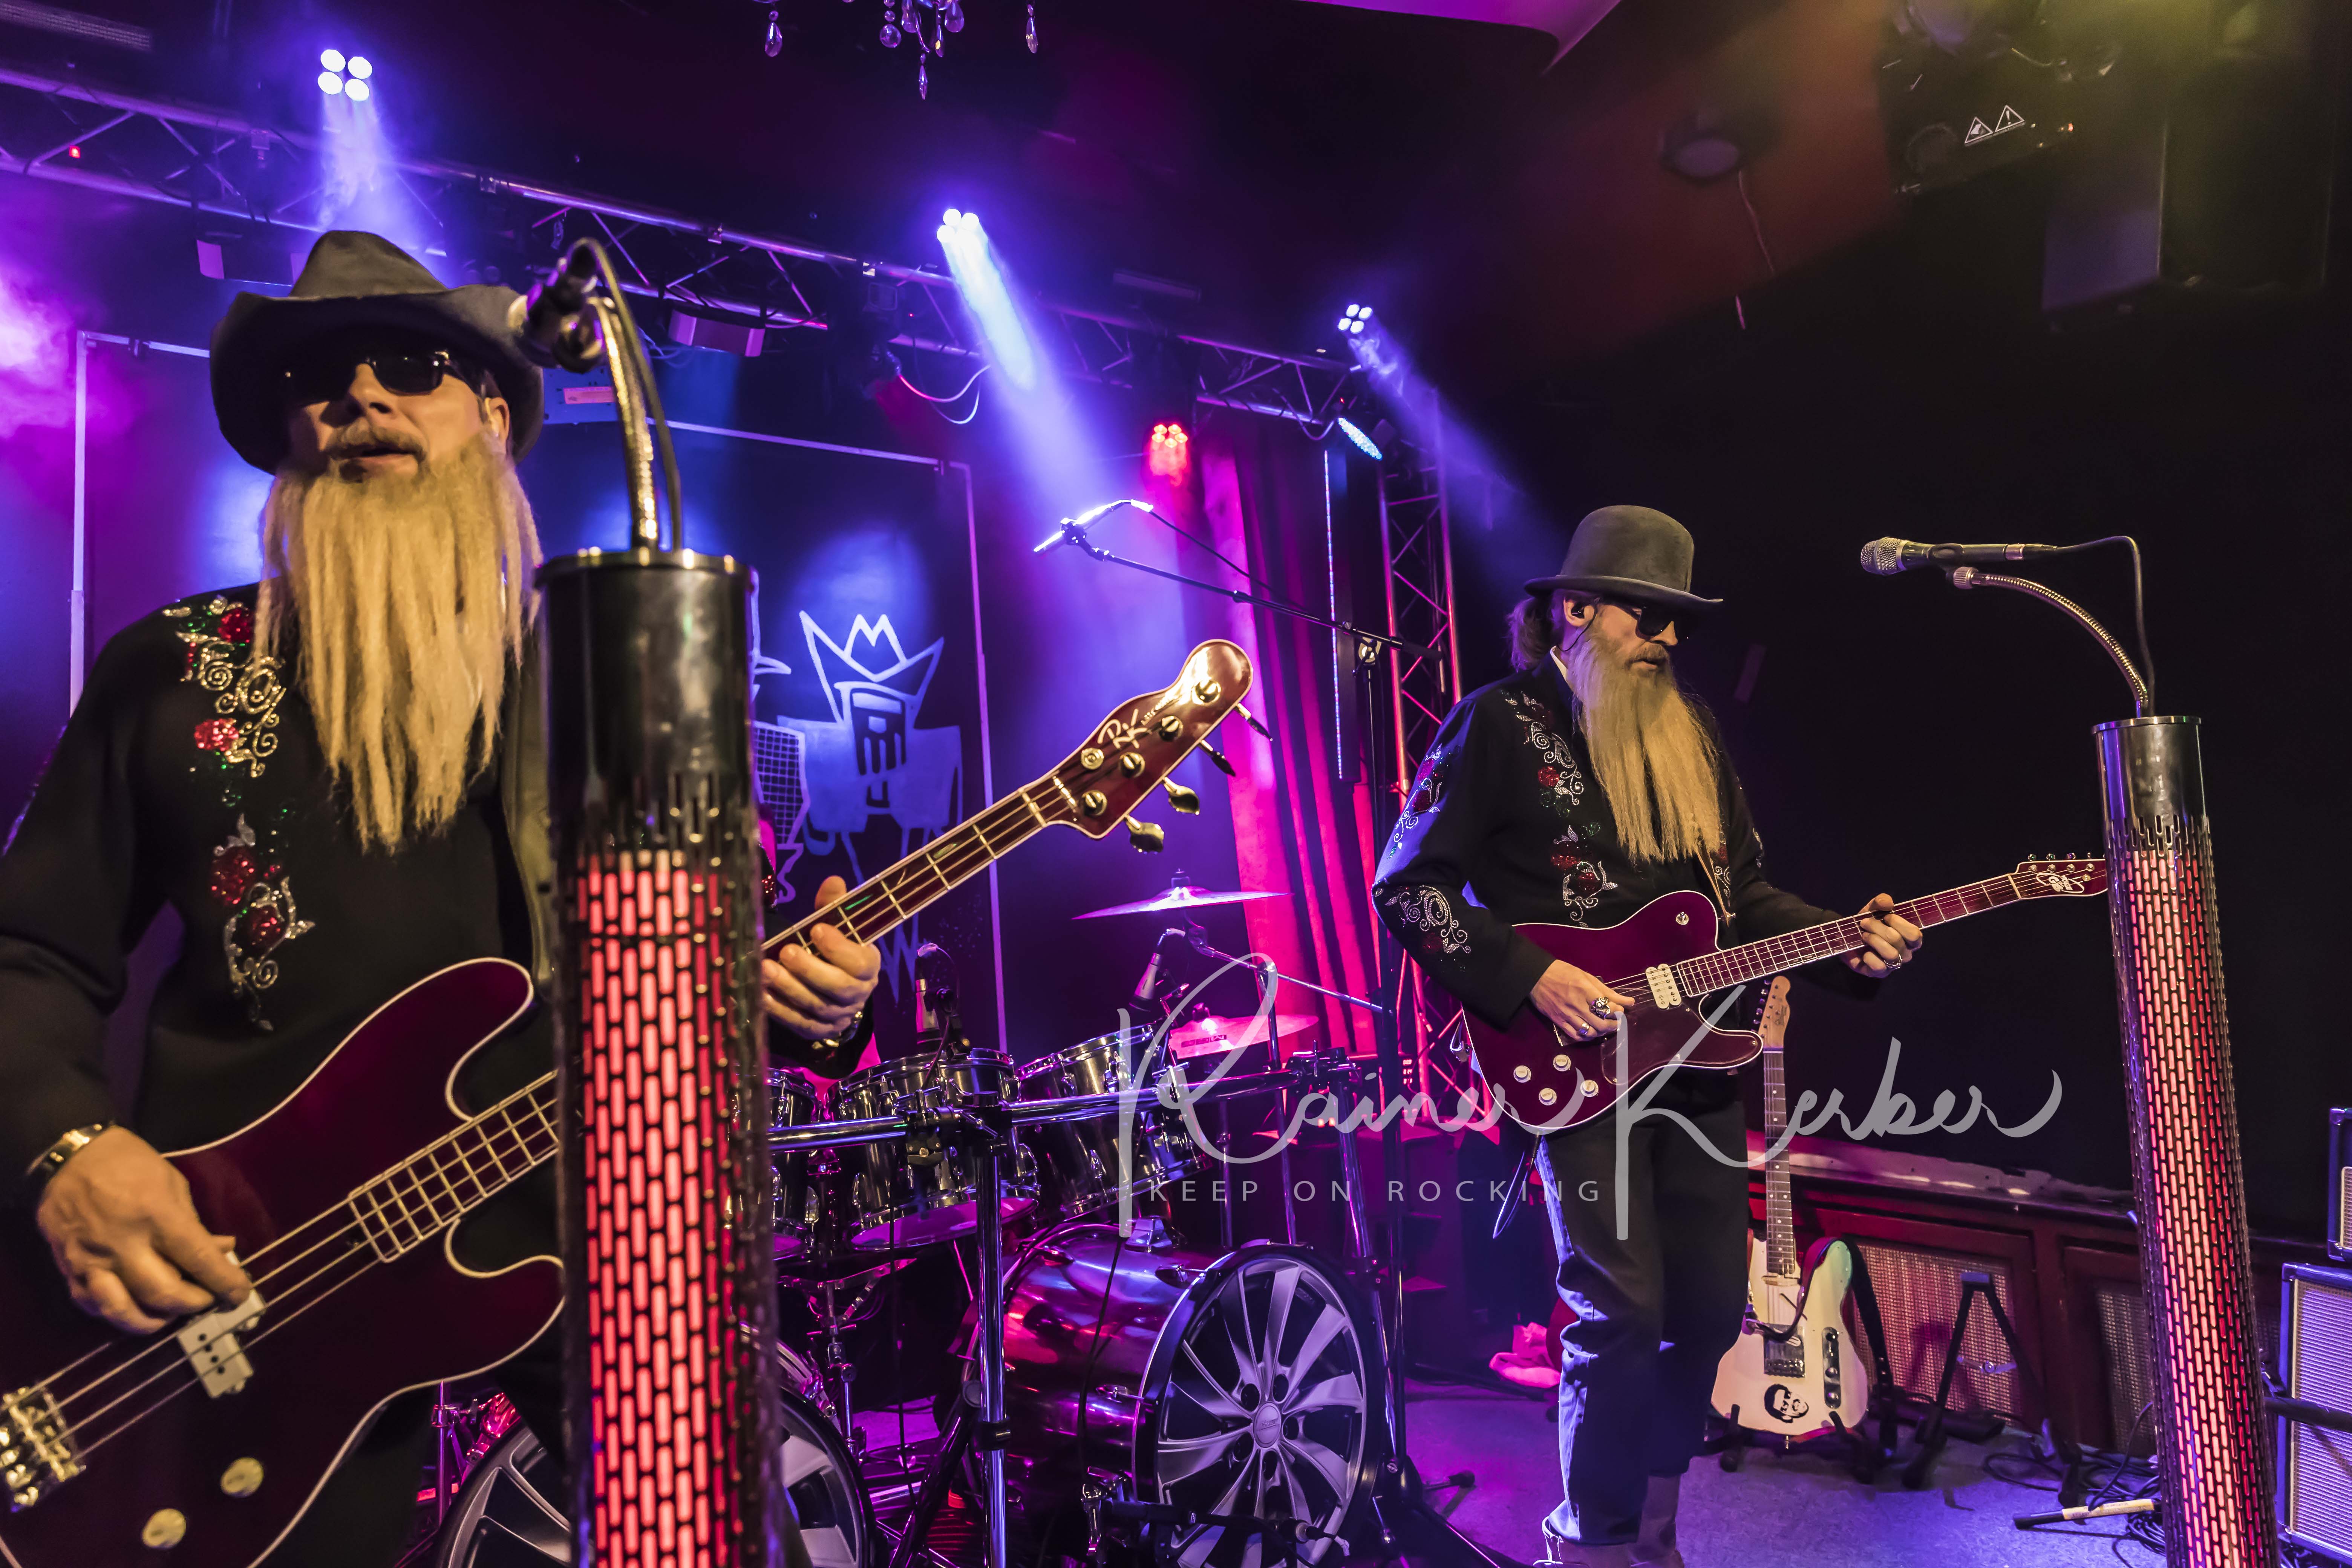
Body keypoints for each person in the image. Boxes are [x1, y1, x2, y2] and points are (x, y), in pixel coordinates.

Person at [0, 231, 882, 1565]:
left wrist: (816, 1000)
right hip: (256, 1283)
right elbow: (28, 953)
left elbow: (713, 991)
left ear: (495, 417)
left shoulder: (607, 689)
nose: (361, 394)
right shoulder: (173, 668)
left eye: (412, 365)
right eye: (319, 377)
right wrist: (69, 1153)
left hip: (591, 1241)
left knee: (720, 1534)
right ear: (286, 433)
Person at [1371, 506, 1923, 1568]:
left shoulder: (1691, 732)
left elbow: (1742, 899)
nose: (1669, 639)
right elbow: (1409, 885)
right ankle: (1590, 1539)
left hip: (1697, 1063)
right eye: (1648, 615)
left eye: (1681, 622)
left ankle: (1653, 1535)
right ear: (1577, 609)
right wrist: (1532, 976)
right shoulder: (1498, 724)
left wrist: (1844, 944)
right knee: (1620, 1309)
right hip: (1575, 1070)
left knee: (1709, 1312)